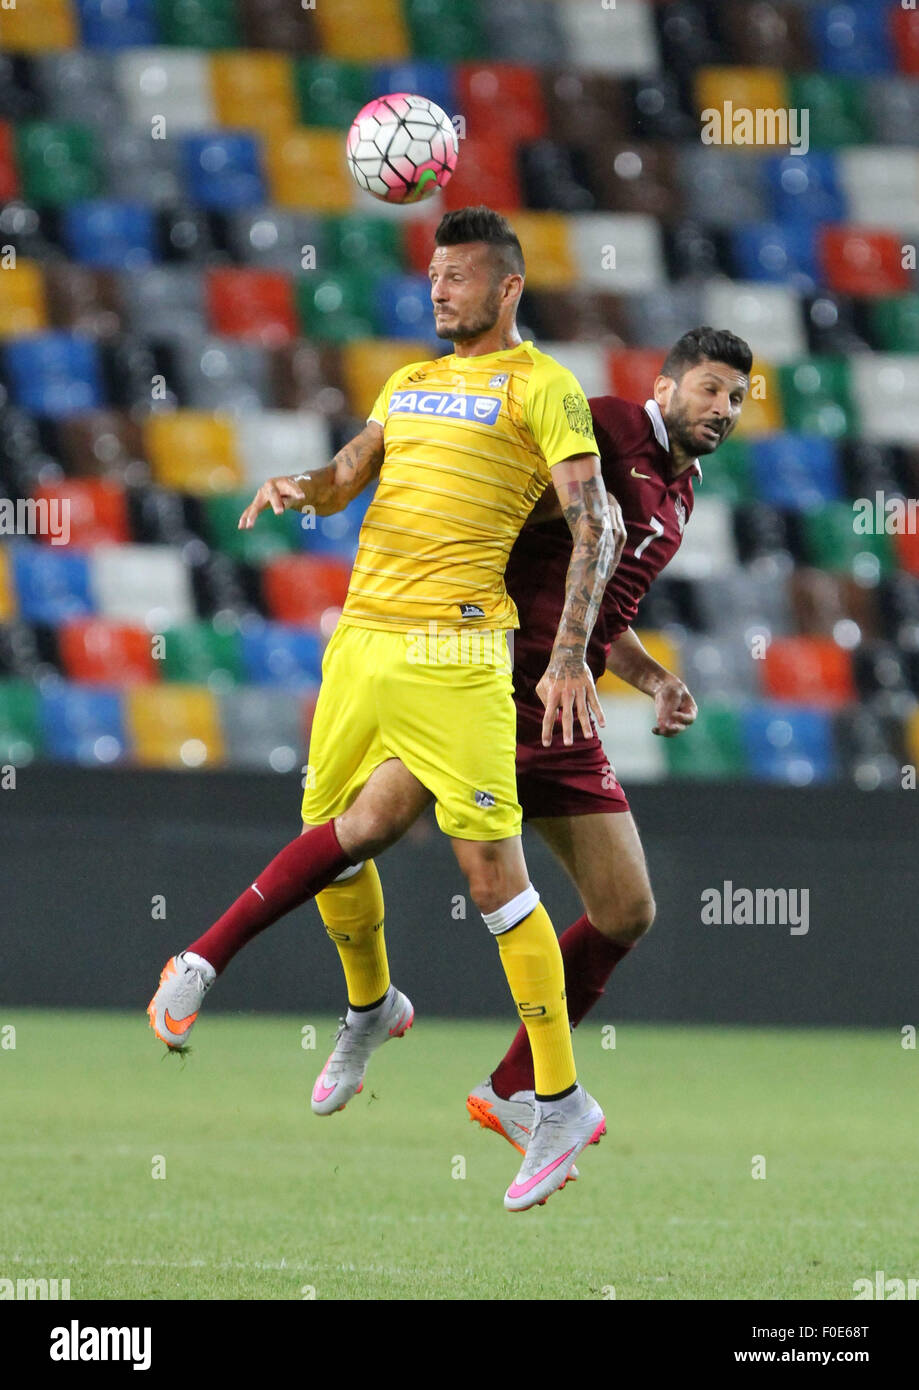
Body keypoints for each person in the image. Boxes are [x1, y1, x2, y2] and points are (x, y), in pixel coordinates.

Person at [147, 205, 626, 1212]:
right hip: (362, 641)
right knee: (332, 838)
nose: (437, 289)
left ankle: (560, 1096)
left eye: (458, 277)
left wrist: (574, 654)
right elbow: (347, 474)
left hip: (458, 651)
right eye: (434, 274)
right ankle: (371, 1007)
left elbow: (595, 525)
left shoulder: (544, 388)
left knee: (493, 869)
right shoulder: (407, 384)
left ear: (505, 288)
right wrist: (301, 486)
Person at [466, 325, 753, 1151]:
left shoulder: (683, 491)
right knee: (355, 834)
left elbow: (609, 616)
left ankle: (513, 1085)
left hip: (564, 712)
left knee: (626, 909)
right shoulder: (597, 425)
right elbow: (498, 508)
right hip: (486, 681)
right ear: (662, 387)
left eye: (735, 396)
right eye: (707, 388)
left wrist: (658, 679)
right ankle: (216, 965)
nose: (722, 408)